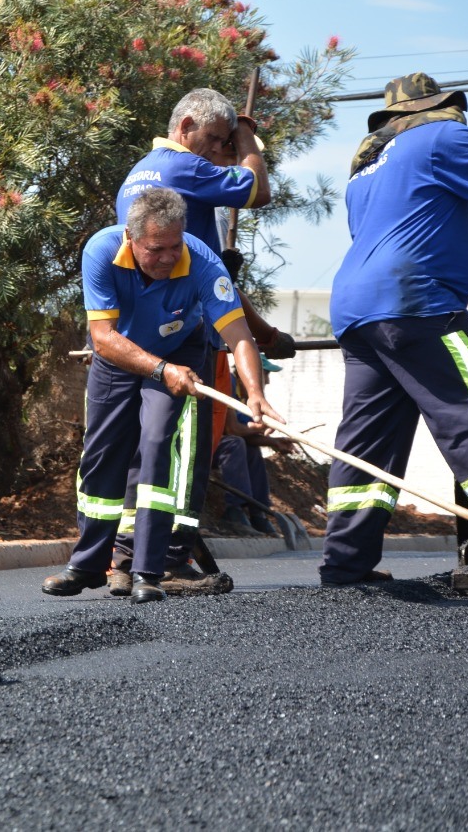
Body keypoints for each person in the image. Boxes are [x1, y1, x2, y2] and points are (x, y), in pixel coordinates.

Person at [42, 188, 282, 603]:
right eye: (156, 249)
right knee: (102, 453)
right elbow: (102, 337)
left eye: (175, 245)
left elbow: (239, 335)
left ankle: (148, 571)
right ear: (130, 239)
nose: (169, 257)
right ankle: (87, 564)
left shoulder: (204, 264)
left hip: (181, 353)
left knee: (157, 444)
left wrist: (255, 392)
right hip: (118, 351)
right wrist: (158, 368)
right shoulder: (101, 250)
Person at [321, 72, 468, 586]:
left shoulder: (364, 169)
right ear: (435, 108)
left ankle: (346, 562)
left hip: (357, 311)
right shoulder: (442, 138)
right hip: (416, 301)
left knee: (367, 440)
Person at [106, 87, 291, 596]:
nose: (216, 152)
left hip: (144, 335)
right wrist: (248, 135)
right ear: (185, 126)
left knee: (149, 450)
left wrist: (267, 333)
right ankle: (167, 558)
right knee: (187, 450)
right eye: (213, 139)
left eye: (223, 143)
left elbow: (217, 280)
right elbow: (258, 189)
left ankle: (125, 557)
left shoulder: (143, 169)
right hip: (186, 338)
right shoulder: (182, 167)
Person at [214, 356, 296, 535]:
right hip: (205, 443)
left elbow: (246, 433)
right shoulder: (227, 383)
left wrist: (273, 442)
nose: (266, 380)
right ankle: (234, 511)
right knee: (234, 444)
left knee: (250, 449)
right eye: (264, 375)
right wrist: (259, 428)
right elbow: (233, 430)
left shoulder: (243, 397)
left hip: (220, 442)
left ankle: (258, 511)